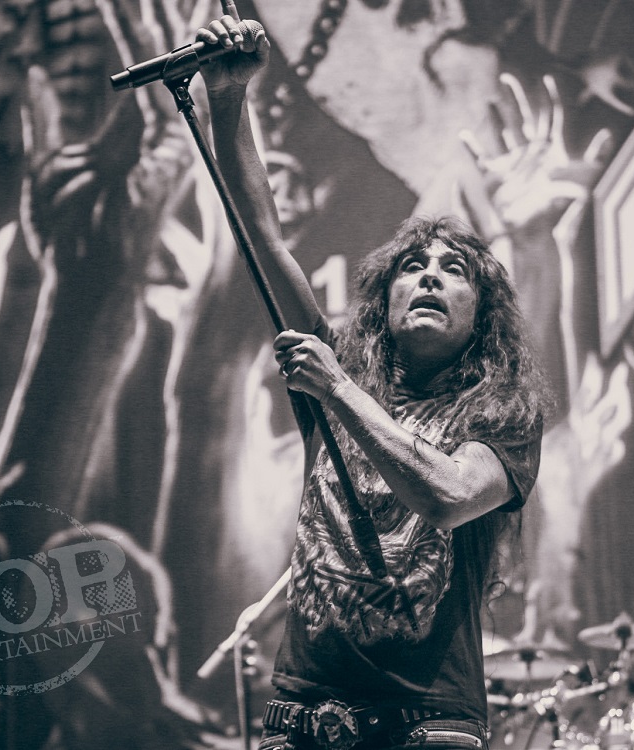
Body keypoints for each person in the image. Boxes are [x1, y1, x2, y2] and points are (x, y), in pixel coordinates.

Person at [195, 14, 549, 750]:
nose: (430, 276)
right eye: (412, 267)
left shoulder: (502, 413)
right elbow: (262, 234)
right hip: (303, 718)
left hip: (427, 723)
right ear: (382, 303)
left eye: (454, 270)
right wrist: (228, 99)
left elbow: (449, 496)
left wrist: (336, 391)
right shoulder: (337, 369)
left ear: (482, 313)